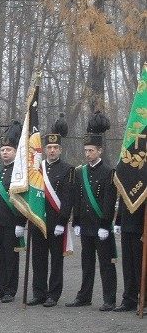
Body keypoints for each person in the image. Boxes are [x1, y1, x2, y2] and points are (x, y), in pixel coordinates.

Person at [66, 114, 117, 311]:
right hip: (85, 225)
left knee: (106, 264)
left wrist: (105, 225)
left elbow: (108, 201)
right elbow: (78, 199)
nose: (88, 154)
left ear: (99, 151)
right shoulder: (80, 172)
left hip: (100, 226)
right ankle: (84, 296)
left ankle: (109, 299)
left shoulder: (108, 172)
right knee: (86, 263)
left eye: (91, 150)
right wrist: (76, 221)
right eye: (86, 150)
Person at [26, 117, 73, 307]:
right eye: (49, 147)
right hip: (38, 219)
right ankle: (39, 293)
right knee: (38, 258)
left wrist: (62, 221)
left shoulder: (68, 169)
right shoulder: (37, 168)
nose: (52, 150)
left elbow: (68, 198)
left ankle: (53, 294)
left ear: (60, 150)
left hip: (56, 222)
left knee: (56, 259)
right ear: (44, 150)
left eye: (55, 147)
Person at [0, 123, 25, 303]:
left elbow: (23, 198)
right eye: (3, 150)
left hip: (11, 221)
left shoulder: (20, 172)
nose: (5, 153)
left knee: (10, 258)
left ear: (15, 152)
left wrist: (20, 222)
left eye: (8, 149)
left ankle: (10, 289)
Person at [114, 200, 145, 312]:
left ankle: (144, 300)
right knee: (128, 265)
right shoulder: (127, 181)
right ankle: (129, 299)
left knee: (140, 266)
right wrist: (118, 220)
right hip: (127, 223)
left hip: (141, 225)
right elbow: (123, 197)